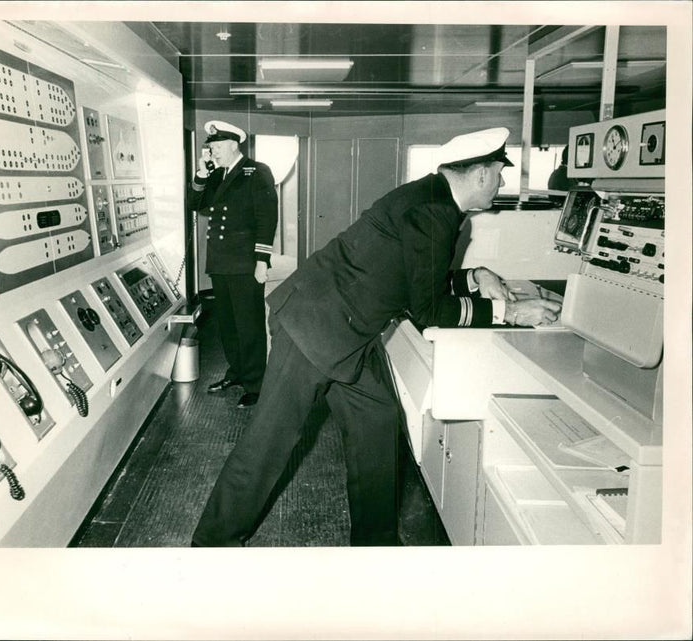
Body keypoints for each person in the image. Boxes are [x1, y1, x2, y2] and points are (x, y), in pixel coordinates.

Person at [191, 127, 562, 547]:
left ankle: (375, 544)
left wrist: (477, 277)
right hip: (315, 328)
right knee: (269, 442)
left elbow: (413, 277)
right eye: (498, 173)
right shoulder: (435, 212)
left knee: (377, 425)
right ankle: (211, 547)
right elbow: (428, 311)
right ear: (479, 174)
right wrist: (509, 311)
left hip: (348, 328)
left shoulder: (431, 198)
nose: (501, 183)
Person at [188, 120, 278, 408]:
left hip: (244, 262)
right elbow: (196, 204)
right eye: (209, 148)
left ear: (232, 144)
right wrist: (202, 172)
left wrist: (262, 260)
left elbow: (267, 218)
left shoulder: (256, 172)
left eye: (214, 148)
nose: (211, 152)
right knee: (227, 325)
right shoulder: (217, 175)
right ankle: (236, 372)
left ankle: (256, 383)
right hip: (220, 262)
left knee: (248, 325)